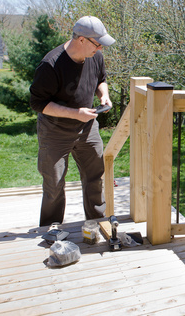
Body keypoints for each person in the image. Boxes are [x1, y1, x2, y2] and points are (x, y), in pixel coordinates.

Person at [29, 16, 116, 227]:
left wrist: (104, 95)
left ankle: (97, 224)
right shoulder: (50, 65)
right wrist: (76, 113)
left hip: (87, 128)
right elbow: (38, 103)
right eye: (98, 44)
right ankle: (51, 231)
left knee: (95, 178)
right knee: (54, 184)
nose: (101, 49)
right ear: (82, 40)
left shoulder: (95, 57)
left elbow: (101, 79)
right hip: (55, 132)